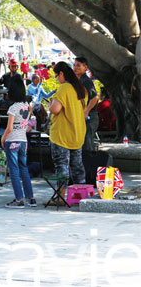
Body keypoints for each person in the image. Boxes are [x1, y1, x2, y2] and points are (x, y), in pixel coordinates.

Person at [48, 62, 87, 204]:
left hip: (62, 135)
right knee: (77, 166)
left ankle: (60, 197)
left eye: (57, 75)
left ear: (62, 74)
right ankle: (82, 196)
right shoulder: (81, 88)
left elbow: (55, 109)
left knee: (61, 166)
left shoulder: (64, 88)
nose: (57, 78)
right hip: (77, 133)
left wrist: (50, 104)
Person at [0, 79, 36, 208]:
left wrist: (2, 139)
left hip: (12, 141)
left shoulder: (13, 108)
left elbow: (9, 128)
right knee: (24, 169)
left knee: (14, 171)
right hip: (23, 141)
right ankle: (31, 198)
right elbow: (26, 123)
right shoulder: (27, 106)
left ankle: (19, 199)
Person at [73, 57, 99, 154]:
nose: (75, 68)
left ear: (85, 68)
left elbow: (95, 98)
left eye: (78, 65)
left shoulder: (86, 81)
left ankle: (90, 166)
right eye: (74, 65)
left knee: (87, 144)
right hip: (82, 117)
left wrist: (86, 111)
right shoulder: (78, 81)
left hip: (90, 117)